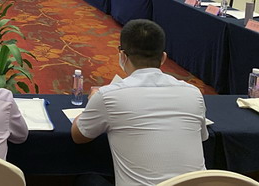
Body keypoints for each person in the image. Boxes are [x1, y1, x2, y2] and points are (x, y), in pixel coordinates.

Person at [71, 19, 208, 186]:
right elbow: (202, 137)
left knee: (87, 179)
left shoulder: (108, 96)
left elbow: (79, 136)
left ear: (122, 56)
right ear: (163, 58)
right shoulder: (193, 93)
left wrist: (93, 102)